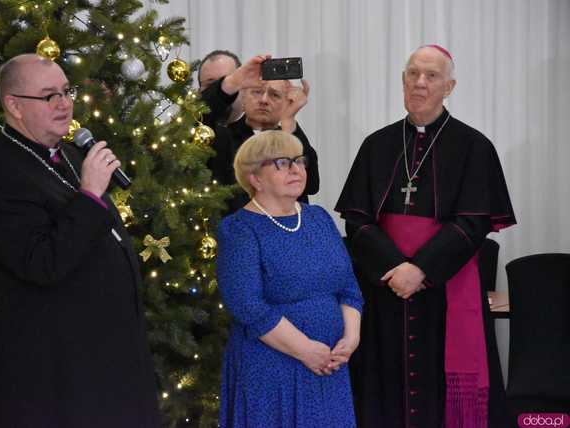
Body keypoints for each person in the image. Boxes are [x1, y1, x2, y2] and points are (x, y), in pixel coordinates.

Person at [0, 54, 160, 427]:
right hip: (56, 372)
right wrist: (89, 196)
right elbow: (42, 264)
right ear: (14, 106)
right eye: (49, 95)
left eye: (67, 90)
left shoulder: (69, 154)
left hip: (107, 359)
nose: (65, 102)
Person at [335, 45, 516, 428]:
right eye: (412, 74)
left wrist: (419, 270)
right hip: (386, 289)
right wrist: (395, 267)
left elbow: (473, 222)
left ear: (448, 86)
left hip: (444, 288)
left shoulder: (474, 147)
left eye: (431, 76)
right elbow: (357, 220)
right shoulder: (376, 145)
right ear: (402, 81)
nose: (420, 83)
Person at [216, 130, 363, 427]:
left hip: (330, 367)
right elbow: (248, 307)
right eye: (282, 163)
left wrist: (351, 338)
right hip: (272, 369)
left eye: (299, 161)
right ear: (255, 178)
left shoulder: (319, 218)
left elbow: (349, 288)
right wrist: (306, 350)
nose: (297, 169)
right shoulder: (239, 230)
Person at [208, 56, 320, 213]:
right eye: (257, 92)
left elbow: (312, 184)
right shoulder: (223, 136)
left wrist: (289, 120)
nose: (264, 100)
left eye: (274, 95)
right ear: (243, 97)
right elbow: (199, 116)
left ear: (286, 101)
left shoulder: (291, 134)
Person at [198, 49, 244, 125]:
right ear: (199, 93)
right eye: (211, 85)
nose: (221, 93)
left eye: (227, 84)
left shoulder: (261, 132)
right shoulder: (186, 132)